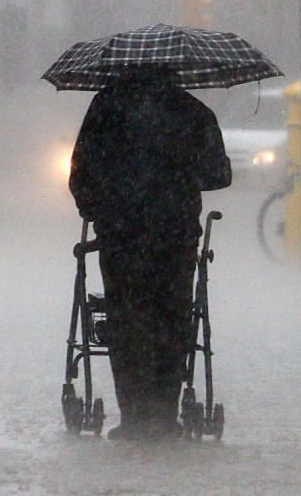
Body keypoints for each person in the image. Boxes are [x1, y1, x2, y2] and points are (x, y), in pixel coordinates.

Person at [68, 66, 231, 440]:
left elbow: (79, 173)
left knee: (126, 317)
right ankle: (162, 412)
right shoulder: (194, 112)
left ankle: (134, 414)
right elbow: (219, 174)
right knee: (171, 317)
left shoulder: (105, 108)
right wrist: (181, 171)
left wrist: (94, 207)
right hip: (174, 236)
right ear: (174, 69)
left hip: (120, 234)